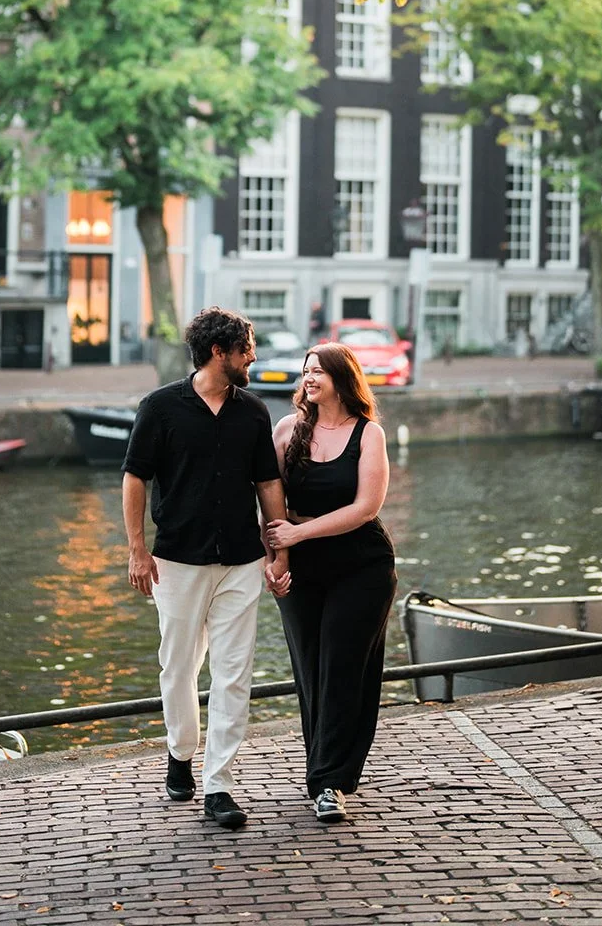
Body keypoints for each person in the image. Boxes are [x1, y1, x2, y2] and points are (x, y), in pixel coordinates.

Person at [122, 306, 291, 831]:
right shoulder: (160, 407)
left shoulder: (254, 412)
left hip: (242, 559)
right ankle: (180, 752)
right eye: (246, 350)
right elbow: (135, 478)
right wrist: (136, 549)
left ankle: (219, 785)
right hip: (177, 559)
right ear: (219, 352)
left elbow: (268, 483)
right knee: (178, 668)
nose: (252, 358)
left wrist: (280, 548)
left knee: (234, 673)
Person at [266, 343, 397, 824]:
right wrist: (275, 557)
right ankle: (322, 771)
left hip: (361, 565)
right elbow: (268, 498)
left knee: (342, 669)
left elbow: (366, 508)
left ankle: (329, 784)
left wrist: (298, 533)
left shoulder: (368, 434)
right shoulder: (287, 430)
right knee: (310, 670)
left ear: (342, 378)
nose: (308, 377)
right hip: (302, 567)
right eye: (306, 371)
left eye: (318, 370)